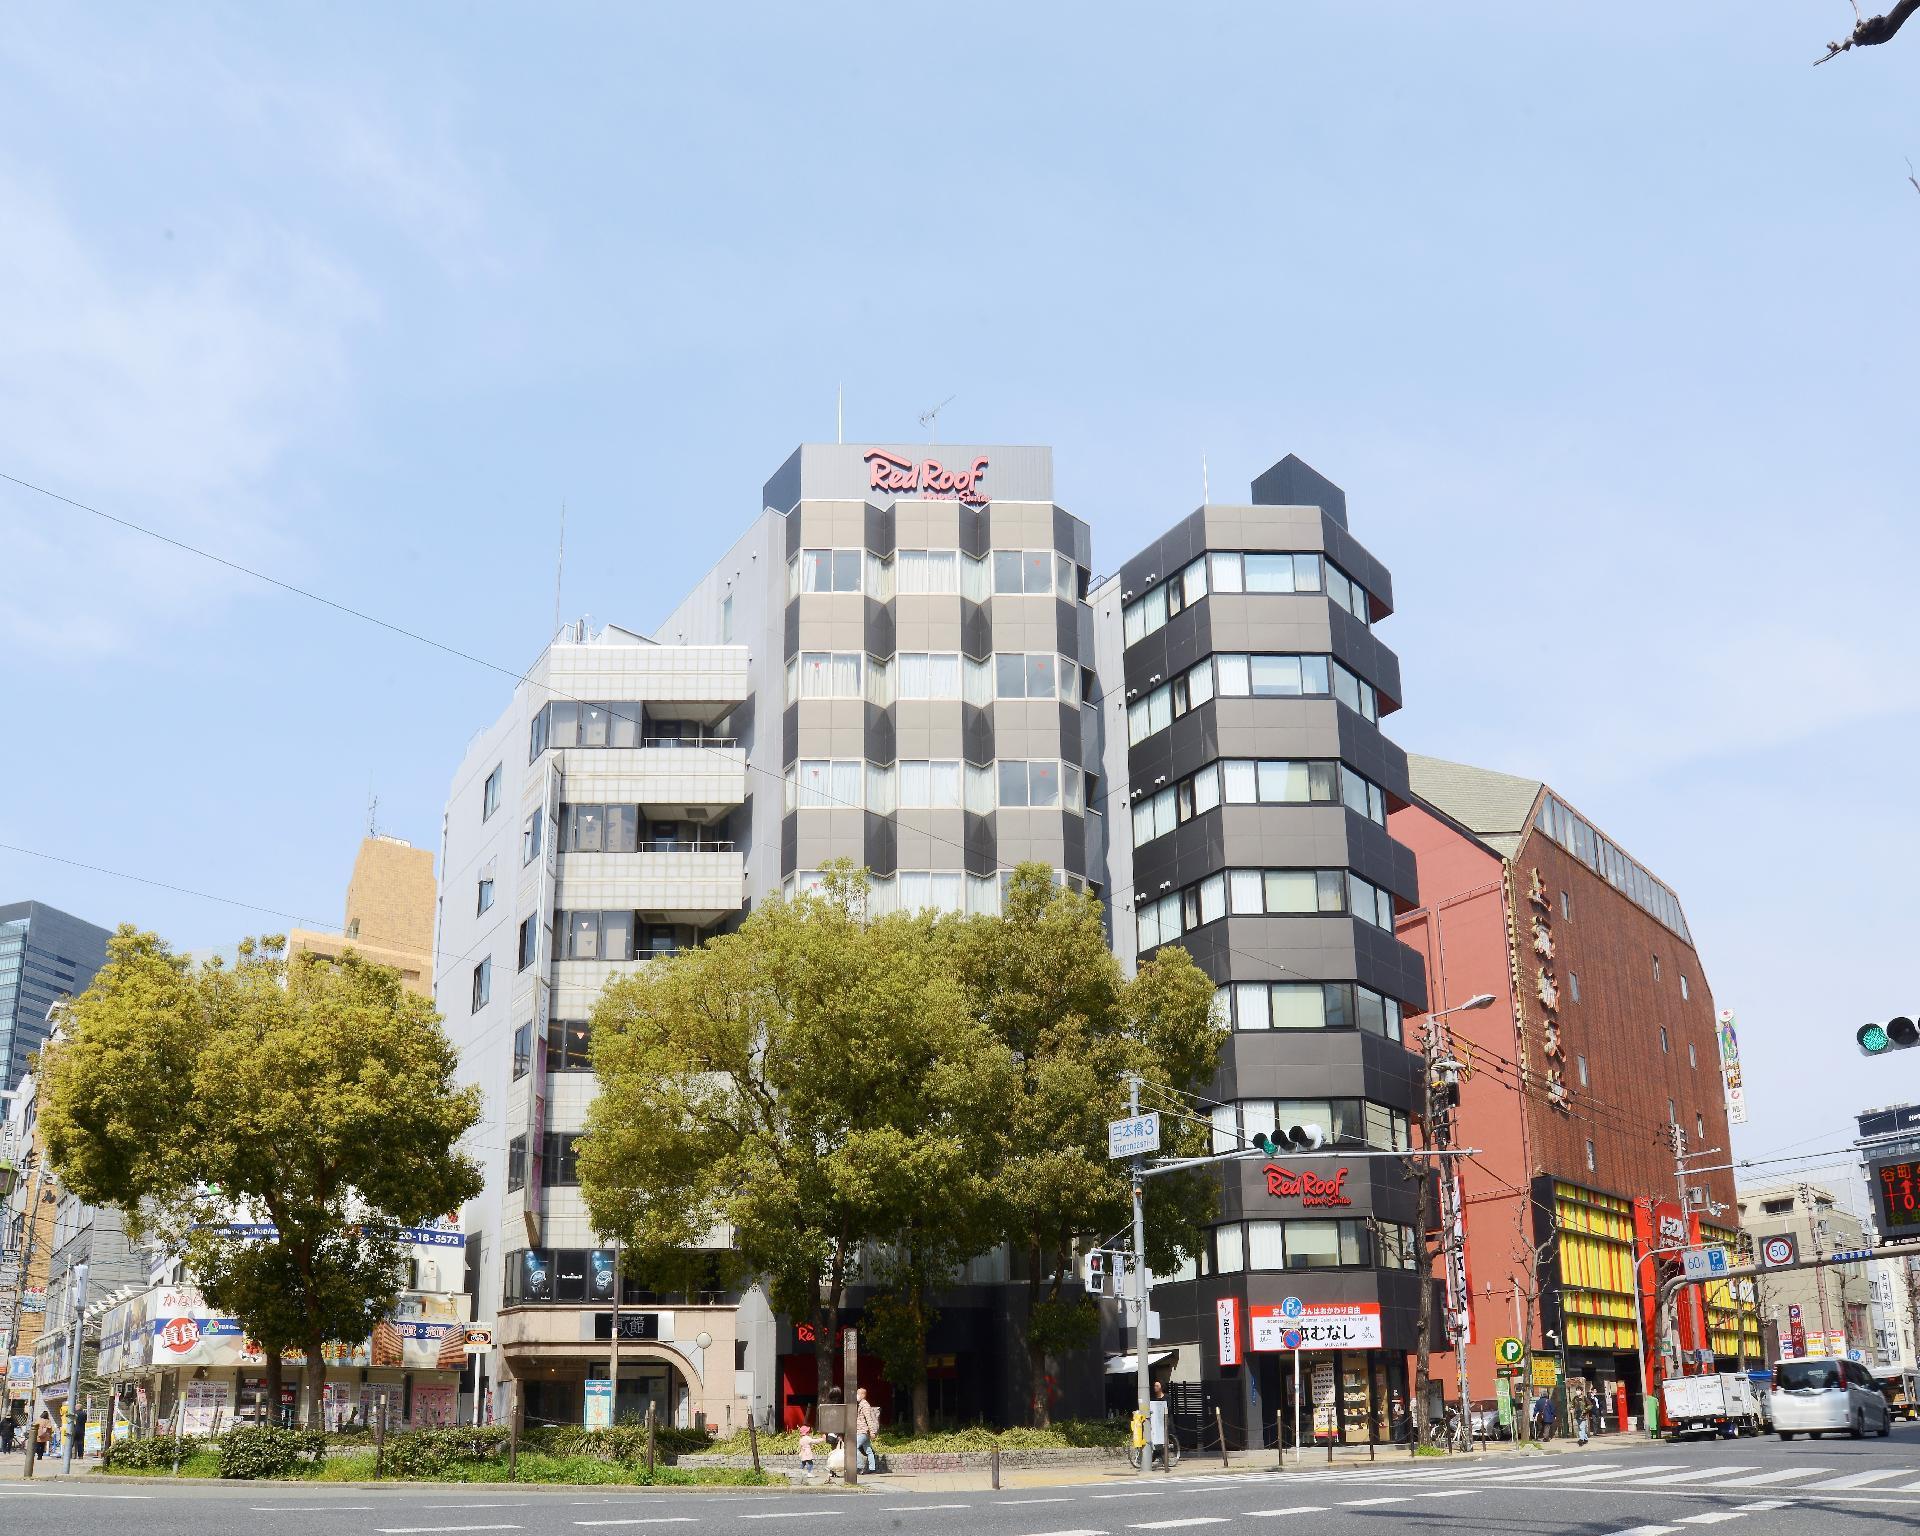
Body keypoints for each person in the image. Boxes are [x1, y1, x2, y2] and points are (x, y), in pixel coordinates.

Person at [854, 1386, 880, 1474]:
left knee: (853, 1447)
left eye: (857, 1393)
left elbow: (868, 1419)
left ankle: (860, 1466)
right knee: (868, 1450)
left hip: (862, 1431)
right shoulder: (862, 1404)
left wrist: (872, 1432)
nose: (856, 1395)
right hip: (864, 1431)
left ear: (862, 1395)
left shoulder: (864, 1405)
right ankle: (872, 1468)